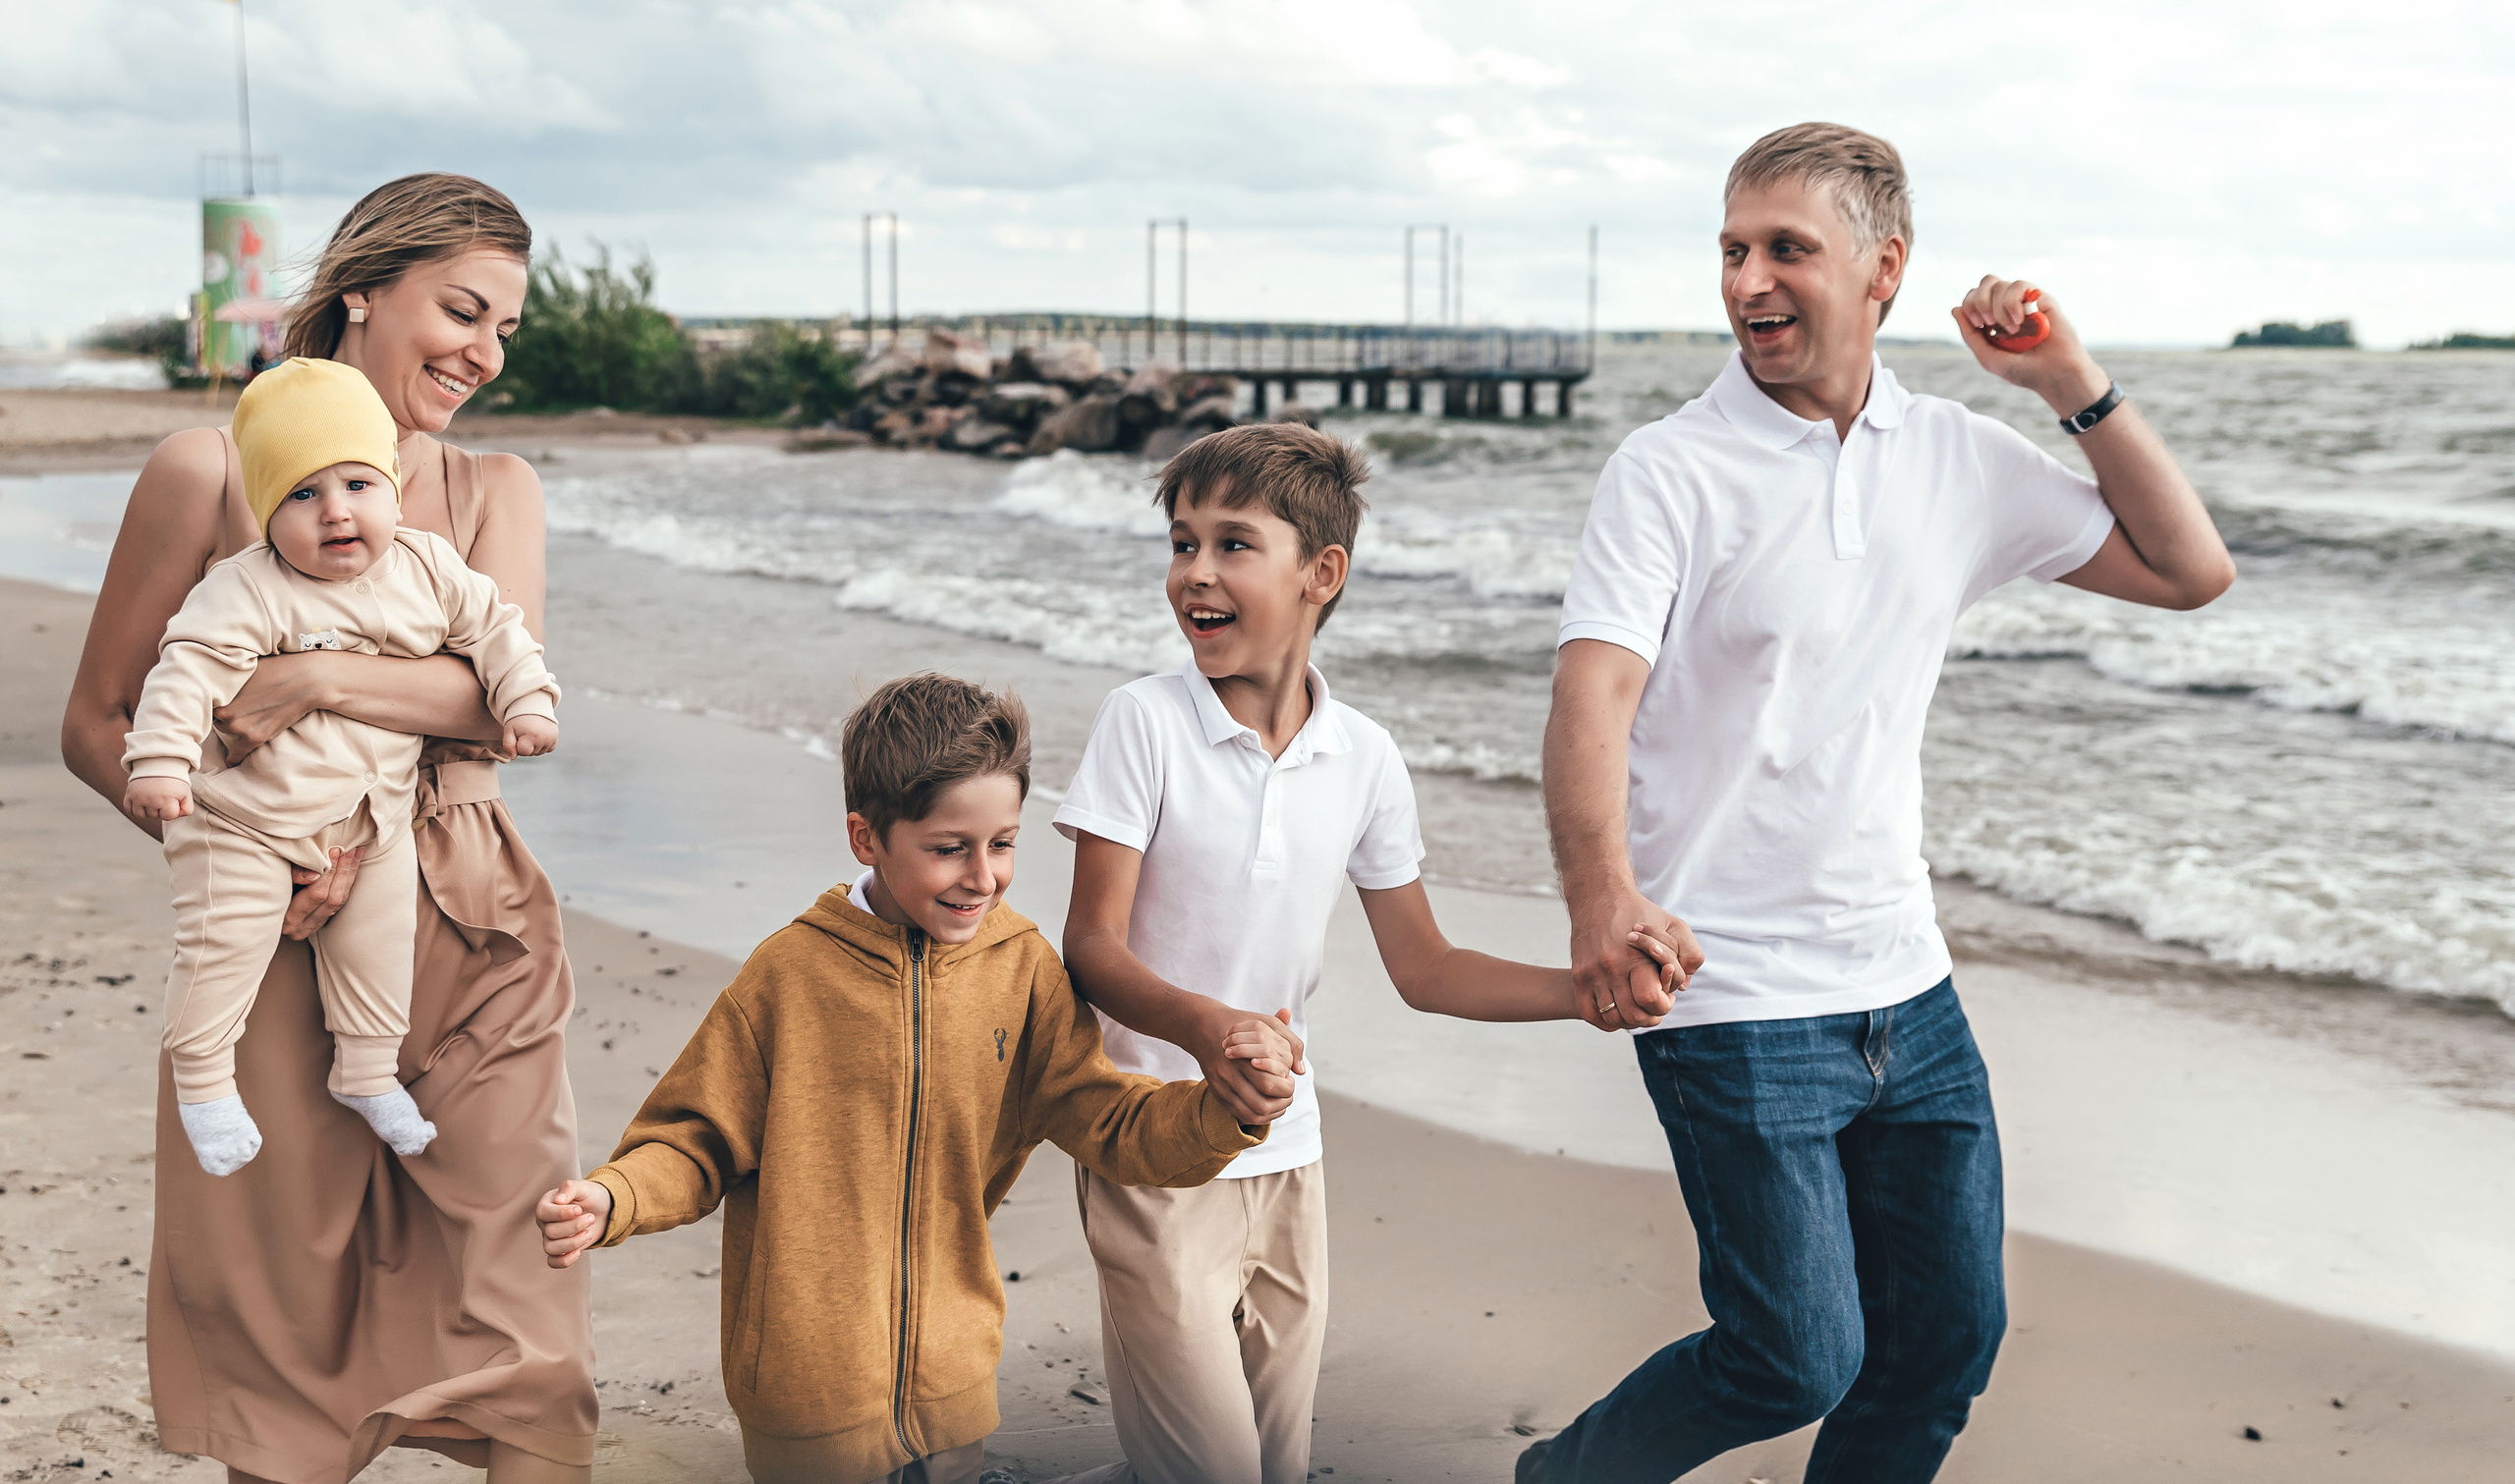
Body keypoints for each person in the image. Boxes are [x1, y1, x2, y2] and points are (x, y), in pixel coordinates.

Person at [1521, 123, 2236, 1484]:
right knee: (1791, 1355)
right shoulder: (1670, 468)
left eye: (1785, 248)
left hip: (1907, 985)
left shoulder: (1956, 457)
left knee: (1943, 1345)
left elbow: (2189, 570)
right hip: (1727, 985)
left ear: (1882, 268)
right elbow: (1591, 697)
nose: (1747, 280)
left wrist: (2067, 380)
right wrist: (1601, 898)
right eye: (1732, 249)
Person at [60, 174, 598, 1484]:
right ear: (363, 289)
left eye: (505, 327)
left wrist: (309, 676)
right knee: (280, 1333)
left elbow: (498, 700)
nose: (484, 351)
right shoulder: (206, 471)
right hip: (274, 935)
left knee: (532, 1318)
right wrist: (245, 854)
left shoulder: (497, 486)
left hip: (472, 916)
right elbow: (98, 718)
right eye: (462, 310)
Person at [1048, 423, 1690, 1484]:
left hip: (1287, 1148)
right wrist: (1208, 1028)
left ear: (1322, 572)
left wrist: (1583, 992)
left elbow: (1425, 966)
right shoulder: (1143, 722)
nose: (1195, 571)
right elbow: (1091, 947)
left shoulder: (1365, 757)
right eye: (1181, 542)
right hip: (1150, 1141)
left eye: (1232, 543)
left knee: (1271, 1461)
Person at [531, 673, 1280, 1484]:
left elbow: (1109, 1120)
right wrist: (613, 1195)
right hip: (807, 1396)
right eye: (949, 848)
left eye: (1003, 843)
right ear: (867, 837)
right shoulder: (789, 975)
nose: (983, 875)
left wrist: (1222, 1111)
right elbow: (694, 1140)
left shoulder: (1023, 969)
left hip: (953, 1385)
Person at [123, 357, 560, 1176]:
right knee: (223, 943)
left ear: (392, 489)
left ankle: (365, 1070)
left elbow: (499, 631)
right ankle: (204, 1081)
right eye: (302, 494)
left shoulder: (430, 568)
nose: (335, 511)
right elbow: (185, 669)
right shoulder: (247, 587)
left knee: (380, 948)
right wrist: (160, 763)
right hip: (246, 817)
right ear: (267, 515)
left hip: (374, 816)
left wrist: (527, 700)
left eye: (359, 484)